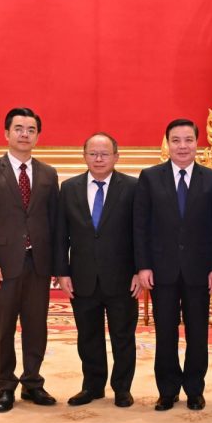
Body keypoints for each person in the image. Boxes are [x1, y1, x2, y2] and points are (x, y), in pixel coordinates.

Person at [0, 107, 60, 412]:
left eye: (31, 130)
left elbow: (54, 223)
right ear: (6, 133)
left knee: (36, 327)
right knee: (3, 328)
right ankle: (5, 386)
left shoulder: (48, 174)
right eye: (18, 128)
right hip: (2, 266)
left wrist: (57, 264)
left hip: (38, 264)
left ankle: (33, 383)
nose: (24, 134)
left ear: (38, 136)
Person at [134, 118, 212, 411]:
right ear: (167, 143)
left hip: (200, 271)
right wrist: (143, 266)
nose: (182, 146)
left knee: (198, 333)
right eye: (176, 140)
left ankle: (195, 390)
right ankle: (168, 390)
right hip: (162, 270)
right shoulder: (150, 177)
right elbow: (141, 226)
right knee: (165, 332)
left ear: (198, 143)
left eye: (188, 140)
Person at [54, 132, 140, 408]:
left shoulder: (133, 187)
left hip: (123, 278)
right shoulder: (69, 188)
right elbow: (61, 234)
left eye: (105, 154)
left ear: (116, 156)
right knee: (88, 336)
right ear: (84, 156)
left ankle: (122, 388)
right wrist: (62, 272)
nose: (99, 159)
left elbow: (141, 233)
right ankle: (92, 386)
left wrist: (140, 271)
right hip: (82, 277)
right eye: (93, 154)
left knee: (123, 336)